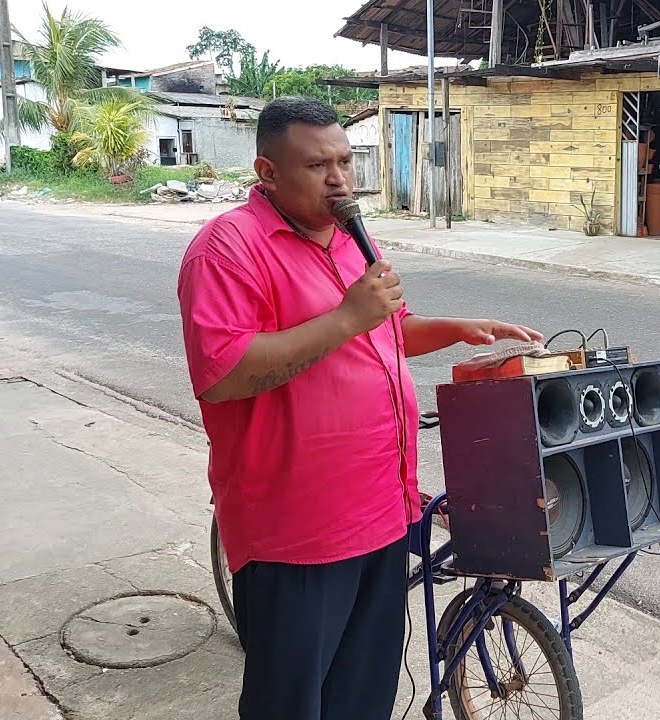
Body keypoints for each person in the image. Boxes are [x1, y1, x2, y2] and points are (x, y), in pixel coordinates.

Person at [176, 97, 543, 719]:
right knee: (290, 703)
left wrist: (454, 327)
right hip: (297, 532)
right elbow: (225, 375)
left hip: (381, 513)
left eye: (345, 161)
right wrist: (348, 316)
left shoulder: (347, 239)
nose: (339, 178)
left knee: (362, 695)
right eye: (318, 165)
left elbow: (384, 330)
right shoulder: (227, 249)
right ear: (267, 173)